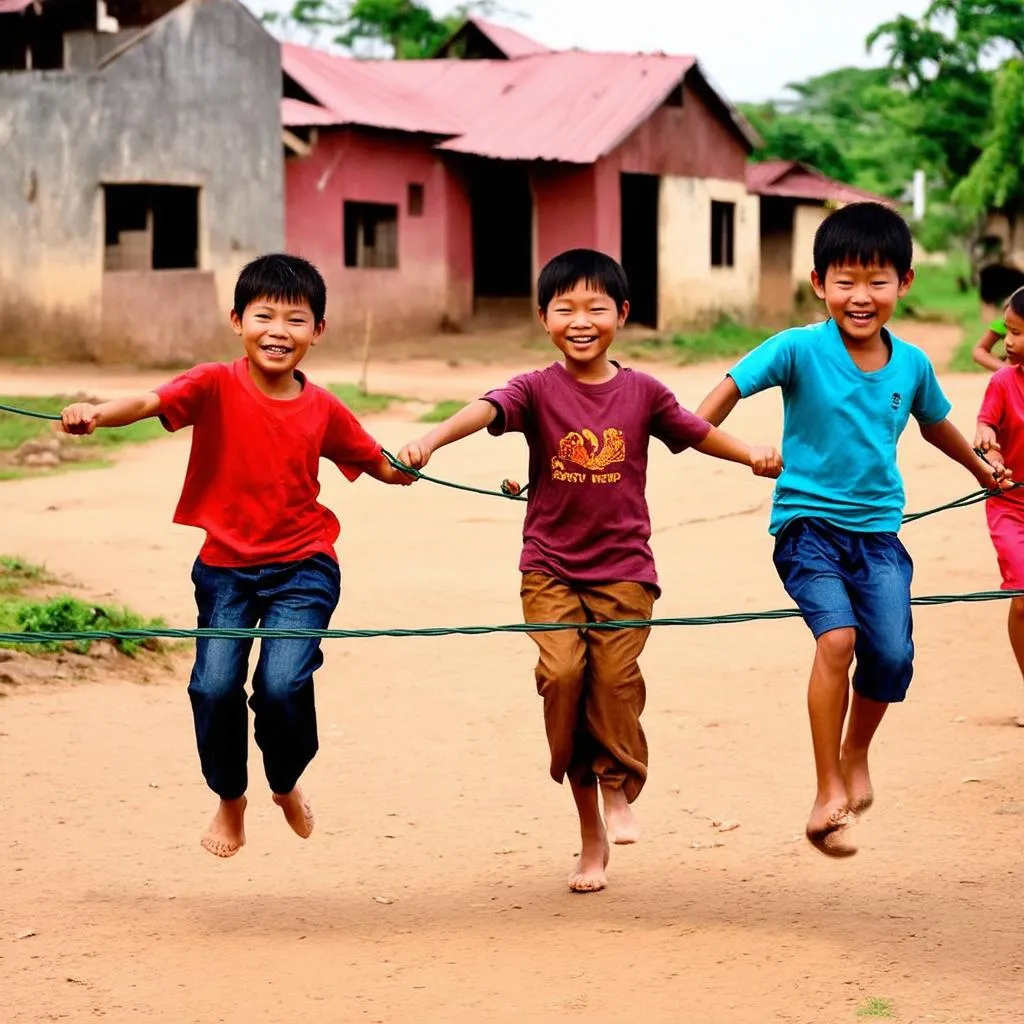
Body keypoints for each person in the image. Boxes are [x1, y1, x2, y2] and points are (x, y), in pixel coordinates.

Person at [397, 248, 781, 893]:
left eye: (596, 307)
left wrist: (752, 456)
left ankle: (618, 784)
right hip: (548, 567)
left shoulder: (643, 392)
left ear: (622, 314)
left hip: (625, 568)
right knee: (564, 675)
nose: (581, 319)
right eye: (565, 307)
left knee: (614, 676)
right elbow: (486, 409)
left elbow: (692, 429)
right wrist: (430, 440)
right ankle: (589, 834)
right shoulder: (536, 388)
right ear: (544, 317)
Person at [60, 253, 415, 858]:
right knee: (214, 687)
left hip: (304, 567)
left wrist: (410, 463)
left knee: (281, 685)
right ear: (237, 321)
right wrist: (95, 413)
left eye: (296, 319)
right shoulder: (212, 383)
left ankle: (284, 782)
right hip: (225, 569)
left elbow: (378, 462)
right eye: (264, 316)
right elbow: (149, 403)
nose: (279, 331)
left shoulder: (324, 407)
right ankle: (231, 799)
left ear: (318, 331)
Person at [695, 203, 1011, 857]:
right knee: (837, 639)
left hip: (879, 537)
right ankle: (826, 789)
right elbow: (707, 408)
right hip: (806, 528)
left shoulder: (913, 364)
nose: (860, 297)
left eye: (877, 281)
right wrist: (742, 449)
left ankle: (855, 752)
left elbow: (936, 425)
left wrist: (982, 469)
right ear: (818, 283)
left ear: (905, 283)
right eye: (845, 281)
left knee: (891, 656)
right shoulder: (797, 348)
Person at [975, 286, 1024, 725]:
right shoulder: (1002, 382)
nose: (1007, 343)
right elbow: (985, 426)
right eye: (1007, 332)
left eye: (1017, 334)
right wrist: (989, 449)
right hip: (1010, 505)